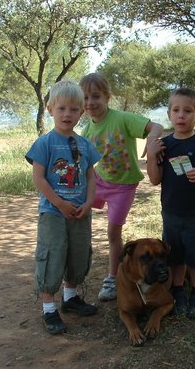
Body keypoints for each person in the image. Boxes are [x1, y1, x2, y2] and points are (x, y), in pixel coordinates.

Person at [25, 80, 102, 334]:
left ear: (82, 112)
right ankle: (49, 310)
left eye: (73, 109)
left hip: (80, 212)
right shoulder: (44, 143)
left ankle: (70, 299)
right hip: (53, 213)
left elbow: (91, 175)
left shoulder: (85, 145)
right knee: (53, 255)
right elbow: (39, 178)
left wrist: (89, 202)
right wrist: (59, 203)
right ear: (50, 110)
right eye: (61, 109)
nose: (67, 114)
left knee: (78, 254)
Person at [79, 73, 164, 301]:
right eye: (85, 98)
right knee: (79, 215)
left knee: (112, 232)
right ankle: (76, 270)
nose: (90, 103)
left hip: (123, 187)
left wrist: (151, 140)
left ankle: (111, 278)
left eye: (96, 96)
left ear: (107, 96)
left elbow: (157, 126)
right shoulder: (87, 130)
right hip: (99, 180)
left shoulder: (123, 118)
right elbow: (81, 161)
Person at [146, 87, 195, 319]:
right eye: (176, 110)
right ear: (169, 115)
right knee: (175, 255)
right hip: (170, 212)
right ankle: (178, 292)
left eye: (188, 111)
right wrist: (151, 154)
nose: (181, 115)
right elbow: (154, 179)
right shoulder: (164, 145)